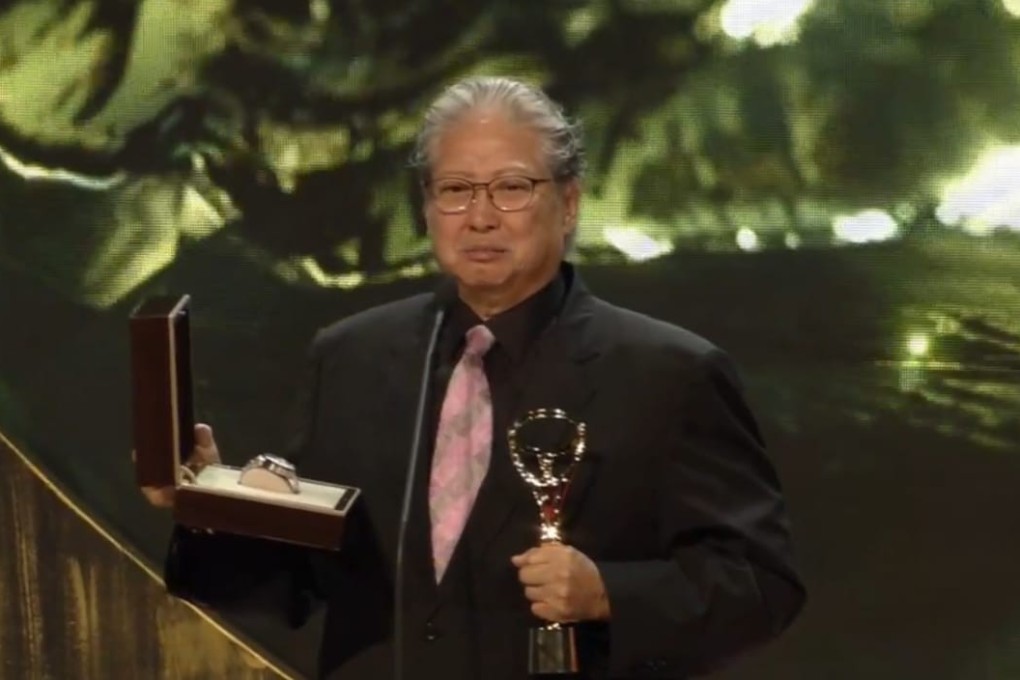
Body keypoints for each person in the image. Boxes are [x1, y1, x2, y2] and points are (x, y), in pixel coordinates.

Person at [144, 75, 806, 679]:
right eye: (455, 190)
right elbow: (298, 583)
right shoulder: (351, 356)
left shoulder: (671, 374)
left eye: (512, 188)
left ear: (569, 203)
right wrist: (214, 509)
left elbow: (761, 585)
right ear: (428, 208)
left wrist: (608, 593)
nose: (481, 217)